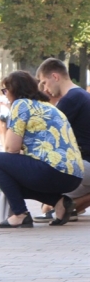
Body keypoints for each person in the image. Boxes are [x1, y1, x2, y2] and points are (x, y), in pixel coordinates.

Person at [0, 71, 83, 228]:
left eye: (5, 91)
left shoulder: (21, 104)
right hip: (74, 175)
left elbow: (11, 148)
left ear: (14, 90)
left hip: (52, 169)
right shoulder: (49, 106)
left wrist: (9, 128)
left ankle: (19, 214)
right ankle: (59, 203)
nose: (5, 96)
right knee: (11, 179)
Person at [36, 58, 90, 220]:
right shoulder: (81, 95)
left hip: (84, 165)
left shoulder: (70, 100)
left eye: (45, 83)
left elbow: (45, 135)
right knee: (50, 207)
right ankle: (70, 207)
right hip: (84, 164)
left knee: (45, 200)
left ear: (55, 77)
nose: (45, 88)